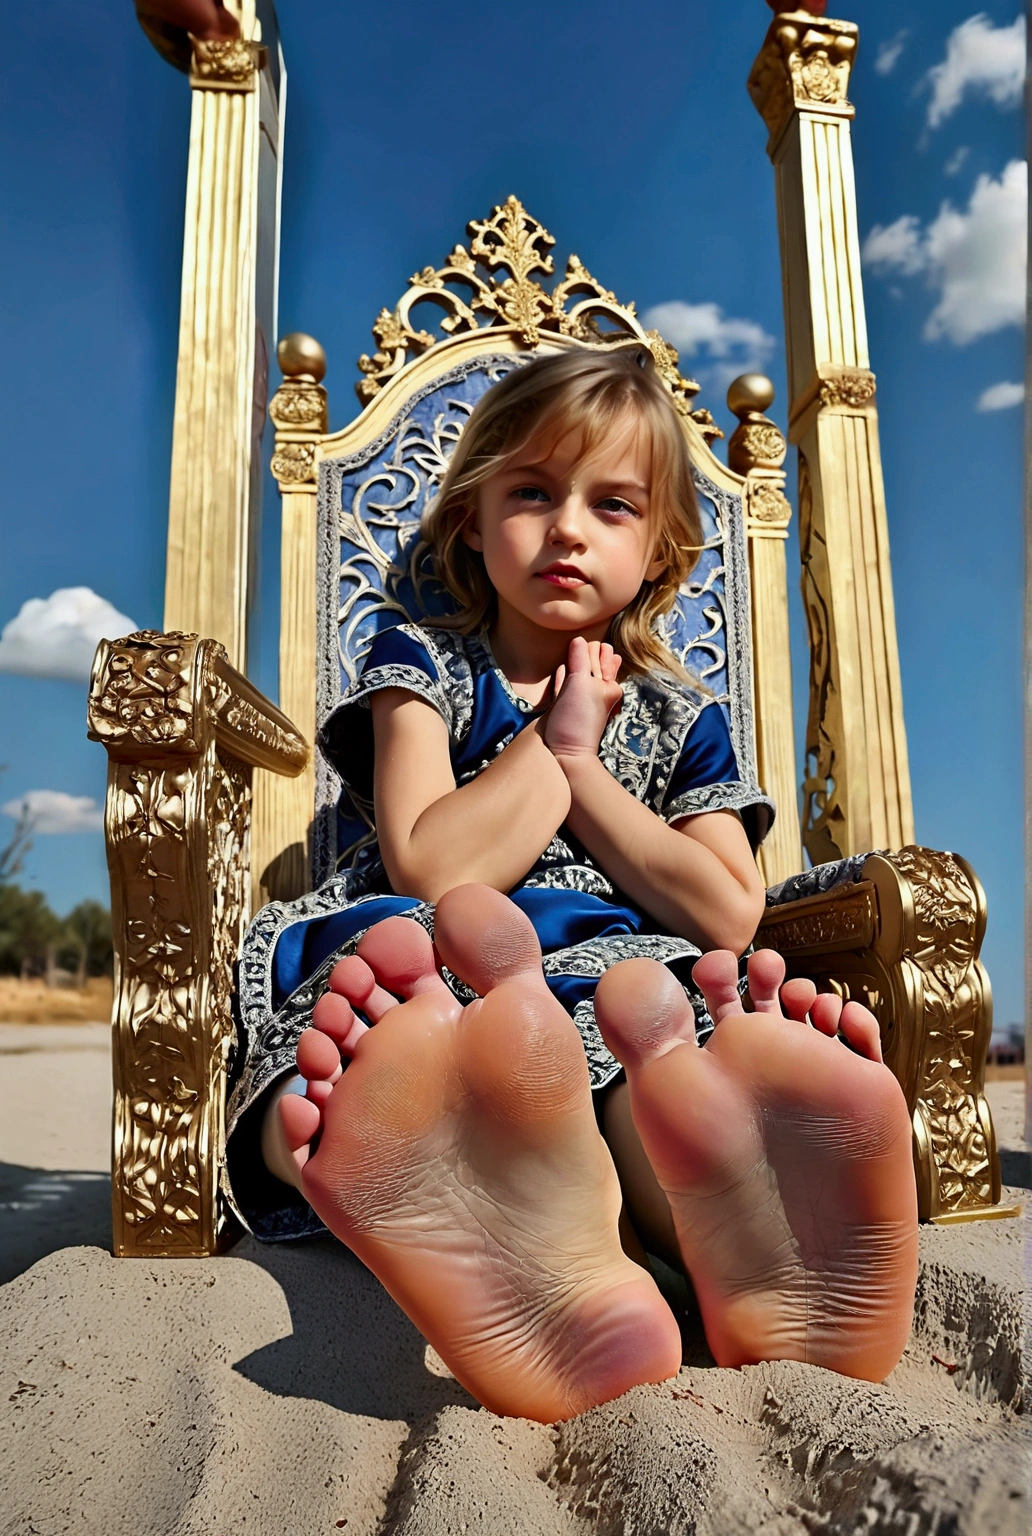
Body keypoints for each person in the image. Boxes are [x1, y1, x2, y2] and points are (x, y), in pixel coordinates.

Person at [226, 348, 918, 1424]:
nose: (567, 528)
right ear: (468, 520)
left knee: (653, 1063)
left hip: (615, 970)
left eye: (612, 504)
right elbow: (432, 861)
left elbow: (729, 908)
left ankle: (739, 1240)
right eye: (532, 493)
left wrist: (590, 768)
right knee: (348, 1048)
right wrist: (552, 741)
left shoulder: (675, 712)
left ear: (658, 551)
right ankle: (458, 1180)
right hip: (438, 954)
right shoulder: (424, 663)